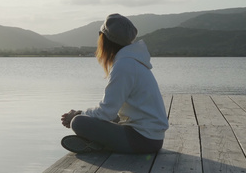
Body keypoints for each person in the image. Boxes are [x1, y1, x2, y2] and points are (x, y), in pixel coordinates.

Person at [60, 13, 168, 154]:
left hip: (143, 141)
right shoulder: (134, 61)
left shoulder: (124, 65)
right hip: (152, 138)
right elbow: (112, 112)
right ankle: (98, 144)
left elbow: (106, 112)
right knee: (112, 118)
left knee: (78, 122)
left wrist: (79, 114)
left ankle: (100, 145)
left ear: (104, 39)